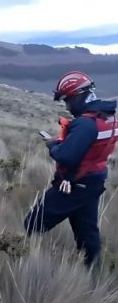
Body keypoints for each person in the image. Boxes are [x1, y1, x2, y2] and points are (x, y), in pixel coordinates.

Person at [25, 71, 117, 268]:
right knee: (87, 235)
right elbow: (89, 148)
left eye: (67, 100)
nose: (67, 106)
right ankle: (91, 275)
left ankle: (24, 264)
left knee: (32, 224)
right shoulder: (109, 117)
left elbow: (66, 156)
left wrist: (52, 145)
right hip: (94, 181)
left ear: (78, 96)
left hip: (73, 185)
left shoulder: (85, 123)